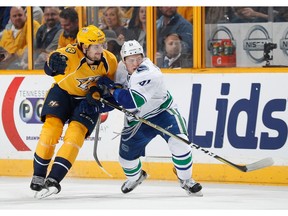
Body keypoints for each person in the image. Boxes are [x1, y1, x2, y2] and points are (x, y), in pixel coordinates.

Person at [95, 40, 203, 196]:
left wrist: (111, 89)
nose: (136, 63)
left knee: (180, 142)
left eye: (138, 58)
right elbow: (119, 95)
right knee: (126, 160)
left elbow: (131, 102)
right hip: (137, 119)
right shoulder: (120, 68)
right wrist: (101, 99)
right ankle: (136, 176)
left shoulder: (149, 72)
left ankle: (186, 180)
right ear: (123, 60)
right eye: (131, 59)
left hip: (162, 112)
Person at [29, 25, 118, 199]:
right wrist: (51, 64)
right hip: (62, 93)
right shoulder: (70, 54)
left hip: (86, 101)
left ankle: (54, 179)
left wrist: (98, 91)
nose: (101, 50)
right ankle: (39, 174)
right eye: (96, 46)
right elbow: (52, 63)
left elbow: (109, 85)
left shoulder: (110, 60)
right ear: (84, 47)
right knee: (50, 131)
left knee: (75, 136)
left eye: (102, 45)